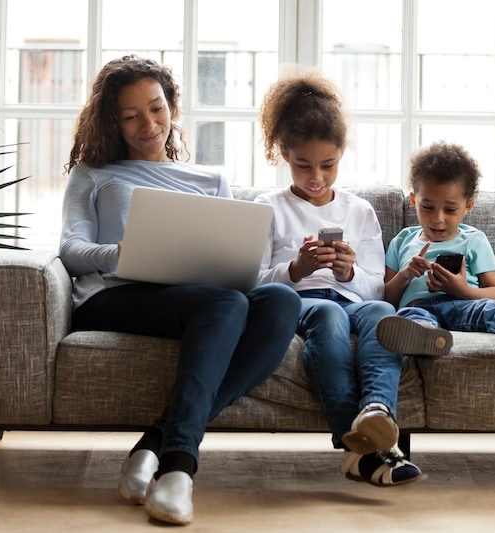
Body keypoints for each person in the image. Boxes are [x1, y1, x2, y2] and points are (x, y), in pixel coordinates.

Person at [58, 55, 301, 526]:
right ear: (112, 120)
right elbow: (70, 249)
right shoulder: (93, 173)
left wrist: (250, 269)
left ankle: (153, 442)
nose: (148, 124)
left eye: (156, 108)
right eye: (130, 116)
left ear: (172, 106)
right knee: (225, 303)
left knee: (281, 301)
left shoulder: (210, 179)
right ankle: (178, 468)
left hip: (195, 297)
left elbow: (239, 264)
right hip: (114, 296)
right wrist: (119, 253)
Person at [254, 69, 426, 487]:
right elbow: (253, 282)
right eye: (303, 165)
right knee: (329, 316)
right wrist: (297, 270)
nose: (316, 177)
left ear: (342, 154)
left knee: (384, 312)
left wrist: (349, 271)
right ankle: (361, 450)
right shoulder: (268, 207)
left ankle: (377, 412)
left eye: (328, 165)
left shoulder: (359, 210)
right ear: (282, 153)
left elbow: (376, 288)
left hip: (352, 300)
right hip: (303, 303)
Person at [377, 141, 495, 358]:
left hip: (464, 303)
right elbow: (386, 299)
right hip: (419, 307)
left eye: (451, 209)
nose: (438, 219)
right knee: (409, 316)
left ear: (468, 206)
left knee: (490, 310)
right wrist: (405, 274)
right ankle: (427, 337)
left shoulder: (473, 239)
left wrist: (462, 290)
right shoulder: (402, 240)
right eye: (427, 207)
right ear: (414, 200)